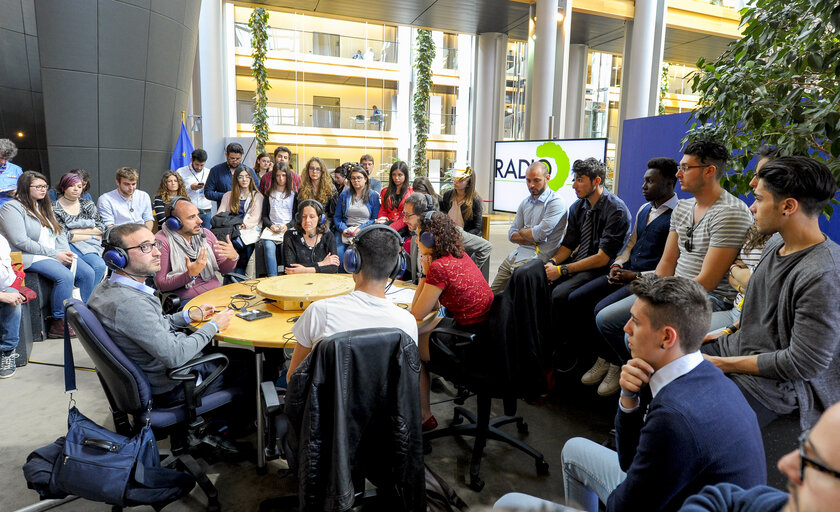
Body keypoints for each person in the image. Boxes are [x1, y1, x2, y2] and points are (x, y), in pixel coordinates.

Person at [494, 276, 766, 512]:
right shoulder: (707, 376)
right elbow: (630, 460)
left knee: (506, 503)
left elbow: (622, 506)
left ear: (667, 338)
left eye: (635, 322)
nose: (625, 329)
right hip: (673, 496)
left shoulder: (675, 418)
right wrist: (628, 398)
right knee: (574, 449)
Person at [700, 156, 840, 430]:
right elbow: (762, 307)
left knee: (693, 421)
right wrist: (725, 332)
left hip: (777, 385)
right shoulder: (775, 241)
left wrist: (722, 364)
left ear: (788, 206)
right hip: (738, 350)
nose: (752, 208)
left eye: (759, 199)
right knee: (658, 364)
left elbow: (803, 364)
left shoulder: (823, 273)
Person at [595, 141, 753, 369]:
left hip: (708, 300)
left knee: (638, 335)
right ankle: (639, 374)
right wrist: (651, 295)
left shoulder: (730, 212)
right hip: (672, 289)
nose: (678, 174)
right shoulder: (683, 207)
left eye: (686, 168)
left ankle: (648, 383)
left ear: (709, 171)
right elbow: (666, 264)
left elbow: (706, 282)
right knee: (606, 319)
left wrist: (658, 302)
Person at [87, 223, 238, 404]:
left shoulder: (105, 288)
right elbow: (176, 356)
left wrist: (187, 316)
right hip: (172, 384)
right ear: (119, 257)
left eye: (154, 244)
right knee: (250, 364)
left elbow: (149, 325)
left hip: (156, 368)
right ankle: (229, 426)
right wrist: (213, 326)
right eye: (145, 247)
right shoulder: (131, 303)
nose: (157, 253)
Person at [571, 157, 678, 396]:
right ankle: (601, 356)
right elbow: (631, 245)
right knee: (579, 298)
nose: (644, 185)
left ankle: (615, 363)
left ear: (670, 183)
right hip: (627, 272)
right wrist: (618, 264)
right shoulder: (644, 209)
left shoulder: (678, 214)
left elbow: (670, 263)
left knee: (601, 310)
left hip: (647, 280)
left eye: (650, 181)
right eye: (644, 180)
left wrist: (635, 275)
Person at [287, 224, 418, 376]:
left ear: (352, 262)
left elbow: (294, 380)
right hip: (384, 400)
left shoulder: (319, 312)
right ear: (398, 267)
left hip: (331, 400)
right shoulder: (407, 322)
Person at [410, 211, 493, 431]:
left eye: (419, 236)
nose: (416, 241)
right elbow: (434, 306)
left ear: (429, 239)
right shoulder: (459, 255)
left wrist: (425, 274)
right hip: (482, 334)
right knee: (422, 331)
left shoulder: (438, 267)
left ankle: (424, 416)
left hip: (468, 343)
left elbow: (417, 314)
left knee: (411, 347)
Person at [544, 158, 632, 366]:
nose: (574, 185)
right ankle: (552, 341)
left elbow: (602, 258)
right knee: (542, 283)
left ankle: (570, 348)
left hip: (602, 269)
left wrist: (562, 270)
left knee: (562, 294)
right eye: (574, 179)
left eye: (580, 180)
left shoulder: (616, 210)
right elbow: (568, 244)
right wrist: (551, 262)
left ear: (597, 181)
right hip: (581, 261)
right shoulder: (578, 207)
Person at [679, 401, 840, 512]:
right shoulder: (787, 504)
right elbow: (722, 498)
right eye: (803, 444)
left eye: (812, 462)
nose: (784, 463)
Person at [0, 171, 95, 338]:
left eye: (44, 186)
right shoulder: (12, 207)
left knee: (88, 273)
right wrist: (54, 254)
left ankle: (79, 315)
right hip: (26, 254)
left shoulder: (43, 206)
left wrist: (65, 251)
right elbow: (20, 241)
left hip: (50, 252)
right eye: (38, 186)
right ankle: (58, 323)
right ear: (25, 187)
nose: (43, 190)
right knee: (64, 276)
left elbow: (59, 233)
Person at [490, 161, 568, 294]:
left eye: (536, 180)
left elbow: (539, 235)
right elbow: (511, 234)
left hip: (537, 258)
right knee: (491, 293)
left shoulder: (556, 202)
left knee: (512, 297)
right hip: (517, 254)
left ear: (547, 178)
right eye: (528, 180)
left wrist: (524, 232)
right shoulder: (525, 202)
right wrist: (530, 234)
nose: (531, 185)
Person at [154, 198, 240, 304]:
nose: (200, 221)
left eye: (198, 215)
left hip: (216, 294)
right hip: (188, 301)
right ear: (175, 222)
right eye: (191, 217)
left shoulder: (206, 234)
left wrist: (233, 258)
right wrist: (190, 275)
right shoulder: (162, 241)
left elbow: (224, 270)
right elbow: (161, 284)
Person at [52, 171, 108, 289]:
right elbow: (65, 235)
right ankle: (85, 300)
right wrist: (91, 234)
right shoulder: (54, 207)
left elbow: (101, 227)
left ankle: (88, 298)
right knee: (95, 268)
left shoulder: (87, 204)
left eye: (79, 186)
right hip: (66, 245)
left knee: (99, 266)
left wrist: (75, 231)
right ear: (64, 186)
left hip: (91, 243)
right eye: (72, 185)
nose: (76, 189)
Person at [438, 167, 493, 276]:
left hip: (464, 237)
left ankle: (468, 274)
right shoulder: (448, 195)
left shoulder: (475, 200)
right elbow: (442, 218)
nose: (456, 181)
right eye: (455, 178)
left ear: (469, 183)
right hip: (448, 236)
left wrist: (459, 238)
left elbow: (477, 229)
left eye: (460, 180)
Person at [218, 166, 263, 275]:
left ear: (251, 179)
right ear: (236, 179)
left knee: (243, 244)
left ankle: (241, 274)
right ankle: (229, 273)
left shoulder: (258, 196)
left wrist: (239, 225)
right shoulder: (228, 195)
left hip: (248, 231)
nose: (244, 180)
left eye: (247, 177)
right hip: (231, 231)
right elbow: (220, 214)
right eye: (241, 177)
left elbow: (255, 219)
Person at [333, 164, 380, 265]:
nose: (356, 181)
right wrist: (343, 229)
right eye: (353, 178)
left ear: (366, 179)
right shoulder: (344, 195)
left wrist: (360, 229)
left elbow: (374, 219)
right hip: (346, 230)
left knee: (365, 257)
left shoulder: (373, 196)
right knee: (340, 255)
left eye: (359, 178)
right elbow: (337, 217)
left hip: (365, 230)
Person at [283, 200, 340, 274]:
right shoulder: (290, 236)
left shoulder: (328, 236)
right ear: (299, 218)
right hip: (298, 282)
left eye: (312, 217)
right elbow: (290, 268)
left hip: (323, 281)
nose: (307, 220)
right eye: (304, 217)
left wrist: (305, 270)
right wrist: (322, 264)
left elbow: (334, 268)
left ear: (320, 219)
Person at [260, 162, 295, 276]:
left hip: (288, 229)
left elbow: (296, 216)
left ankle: (286, 277)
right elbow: (264, 215)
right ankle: (272, 278)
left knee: (285, 248)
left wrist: (287, 226)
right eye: (278, 175)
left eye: (284, 175)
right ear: (274, 176)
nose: (281, 178)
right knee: (268, 247)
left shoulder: (293, 194)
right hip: (272, 229)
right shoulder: (269, 193)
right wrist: (271, 225)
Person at [204, 142, 258, 208]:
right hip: (224, 211)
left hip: (245, 210)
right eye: (232, 158)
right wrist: (228, 196)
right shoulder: (216, 170)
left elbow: (256, 191)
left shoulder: (249, 171)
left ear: (242, 156)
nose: (235, 161)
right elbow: (208, 193)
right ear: (226, 155)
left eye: (238, 159)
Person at [0, 232, 24, 378]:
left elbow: (6, 279)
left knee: (13, 297)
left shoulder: (1, 240)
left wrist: (7, 293)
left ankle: (8, 352)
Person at [175, 148, 212, 228]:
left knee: (206, 236)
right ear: (191, 160)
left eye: (202, 165)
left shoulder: (209, 172)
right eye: (197, 164)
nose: (199, 167)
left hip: (206, 210)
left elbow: (213, 189)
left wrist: (207, 187)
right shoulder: (181, 171)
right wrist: (190, 187)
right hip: (189, 211)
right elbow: (177, 190)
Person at [297, 156, 337, 225]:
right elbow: (300, 211)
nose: (314, 171)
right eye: (312, 168)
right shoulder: (302, 188)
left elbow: (332, 215)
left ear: (322, 171)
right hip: (307, 223)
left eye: (318, 169)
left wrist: (323, 226)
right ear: (307, 170)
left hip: (324, 224)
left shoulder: (331, 189)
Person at [377, 160, 412, 235]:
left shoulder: (411, 192)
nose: (396, 178)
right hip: (387, 224)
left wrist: (392, 227)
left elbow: (409, 215)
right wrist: (382, 222)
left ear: (405, 176)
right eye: (394, 175)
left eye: (400, 175)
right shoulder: (385, 191)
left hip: (404, 225)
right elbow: (383, 209)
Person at [0, 139, 23, 208]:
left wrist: (16, 192)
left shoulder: (16, 169)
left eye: (6, 159)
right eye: (0, 158)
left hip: (9, 208)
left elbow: (24, 191)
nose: (3, 162)